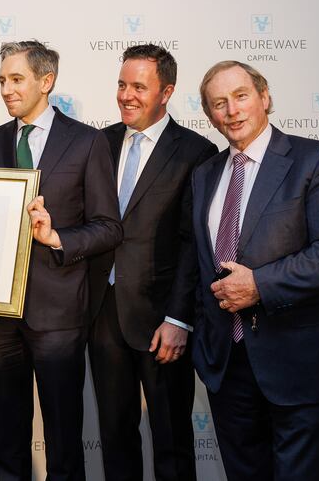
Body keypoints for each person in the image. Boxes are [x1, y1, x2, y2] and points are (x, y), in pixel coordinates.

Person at [192, 60, 319, 481]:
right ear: (210, 115)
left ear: (265, 97)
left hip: (302, 364)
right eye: (219, 103)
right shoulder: (204, 174)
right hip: (227, 368)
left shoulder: (317, 159)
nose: (232, 110)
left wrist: (259, 284)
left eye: (241, 96)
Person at [0, 40, 121, 481]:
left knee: (63, 440)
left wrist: (56, 237)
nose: (6, 89)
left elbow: (108, 227)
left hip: (59, 314)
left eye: (16, 79)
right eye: (2, 80)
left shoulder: (87, 141)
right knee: (5, 438)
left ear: (46, 81)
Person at [87, 44, 216, 481]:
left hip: (162, 319)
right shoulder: (100, 142)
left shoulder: (196, 152)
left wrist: (179, 319)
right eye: (122, 85)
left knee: (172, 440)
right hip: (103, 314)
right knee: (114, 436)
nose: (126, 95)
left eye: (139, 87)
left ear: (167, 92)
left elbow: (194, 245)